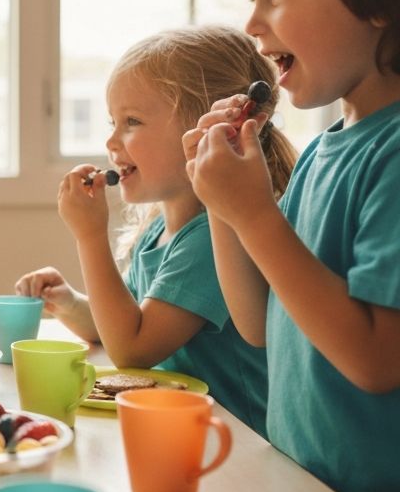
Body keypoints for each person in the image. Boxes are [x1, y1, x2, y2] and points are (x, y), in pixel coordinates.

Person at [183, 0, 400, 492]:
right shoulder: (325, 150)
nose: (252, 24)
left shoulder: (392, 156)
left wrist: (254, 211)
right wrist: (225, 207)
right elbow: (260, 323)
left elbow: (372, 359)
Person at [16, 26, 296, 435]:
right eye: (113, 121)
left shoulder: (210, 238)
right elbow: (118, 322)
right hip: (183, 426)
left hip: (236, 438)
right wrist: (70, 303)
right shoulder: (158, 229)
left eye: (132, 122)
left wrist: (90, 237)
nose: (112, 141)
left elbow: (132, 349)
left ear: (201, 129)